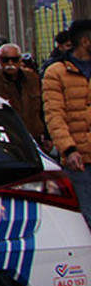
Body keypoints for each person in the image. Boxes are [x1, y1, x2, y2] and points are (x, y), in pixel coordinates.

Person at [43, 19, 91, 228]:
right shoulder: (57, 72)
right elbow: (54, 115)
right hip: (79, 159)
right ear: (85, 42)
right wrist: (69, 149)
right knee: (86, 216)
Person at [0, 43, 47, 150]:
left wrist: (48, 136)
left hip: (36, 139)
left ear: (20, 60)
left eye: (14, 59)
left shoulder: (33, 79)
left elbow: (44, 108)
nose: (10, 63)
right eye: (5, 60)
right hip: (8, 142)